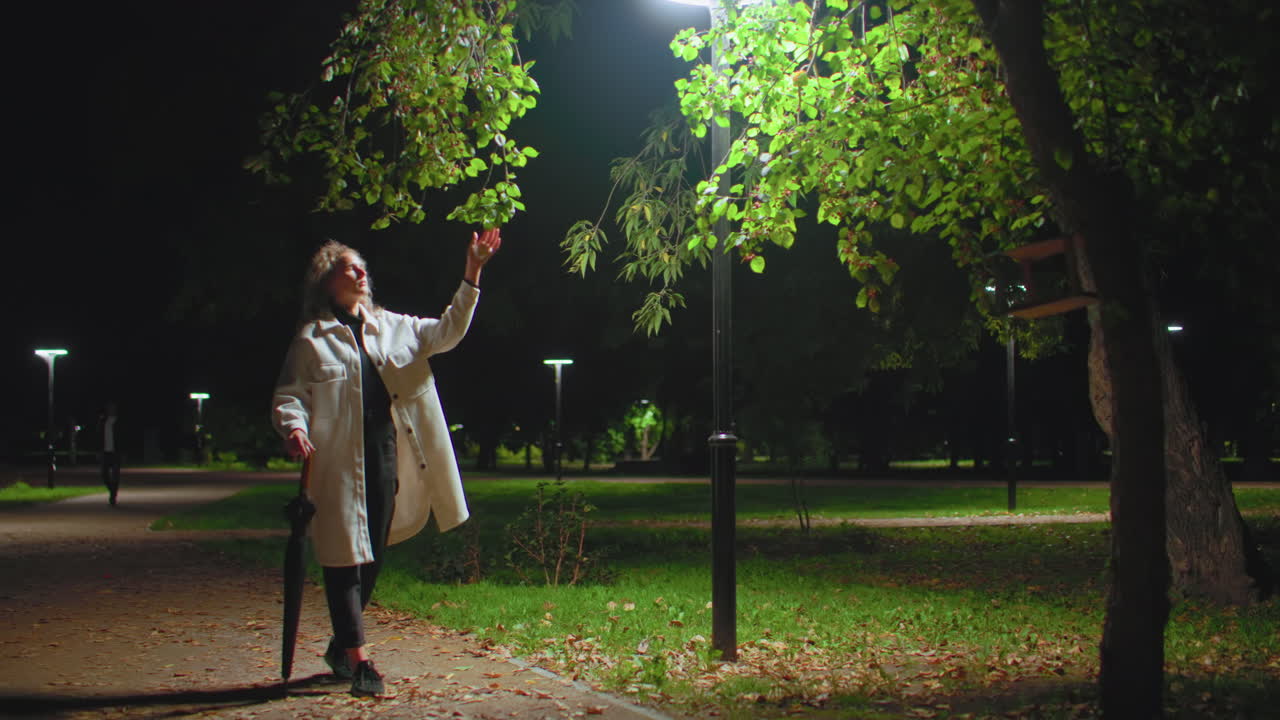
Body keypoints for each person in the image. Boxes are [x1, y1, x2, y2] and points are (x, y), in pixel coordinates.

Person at [271, 229, 500, 696]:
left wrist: (472, 272)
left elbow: (447, 331)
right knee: (342, 556)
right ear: (327, 281)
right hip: (335, 464)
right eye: (348, 268)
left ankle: (340, 646)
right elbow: (289, 395)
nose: (360, 273)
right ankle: (360, 661)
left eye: (362, 267)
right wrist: (294, 426)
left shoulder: (393, 326)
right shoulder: (311, 341)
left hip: (384, 457)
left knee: (371, 552)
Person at [100, 403, 120, 506]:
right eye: (109, 408)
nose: (111, 410)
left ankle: (113, 496)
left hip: (115, 452)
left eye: (113, 408)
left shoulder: (119, 422)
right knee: (104, 474)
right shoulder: (103, 422)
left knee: (115, 476)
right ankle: (112, 490)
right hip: (105, 452)